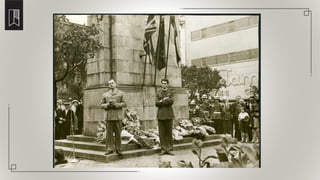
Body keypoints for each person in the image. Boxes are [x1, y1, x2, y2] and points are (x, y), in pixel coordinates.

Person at [100, 79, 126, 155]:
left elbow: (124, 103)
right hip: (109, 116)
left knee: (118, 133)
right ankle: (109, 149)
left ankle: (118, 149)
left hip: (117, 116)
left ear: (115, 84)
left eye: (112, 83)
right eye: (109, 83)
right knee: (109, 134)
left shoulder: (121, 93)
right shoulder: (105, 94)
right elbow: (101, 105)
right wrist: (107, 105)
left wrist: (116, 104)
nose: (111, 84)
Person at [156, 79, 175, 155]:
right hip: (160, 115)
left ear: (167, 84)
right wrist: (165, 100)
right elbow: (156, 103)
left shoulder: (171, 92)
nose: (164, 85)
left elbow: (171, 102)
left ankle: (169, 149)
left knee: (169, 133)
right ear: (161, 84)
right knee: (162, 133)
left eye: (165, 83)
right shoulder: (158, 92)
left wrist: (162, 101)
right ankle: (163, 149)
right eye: (162, 83)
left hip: (169, 115)